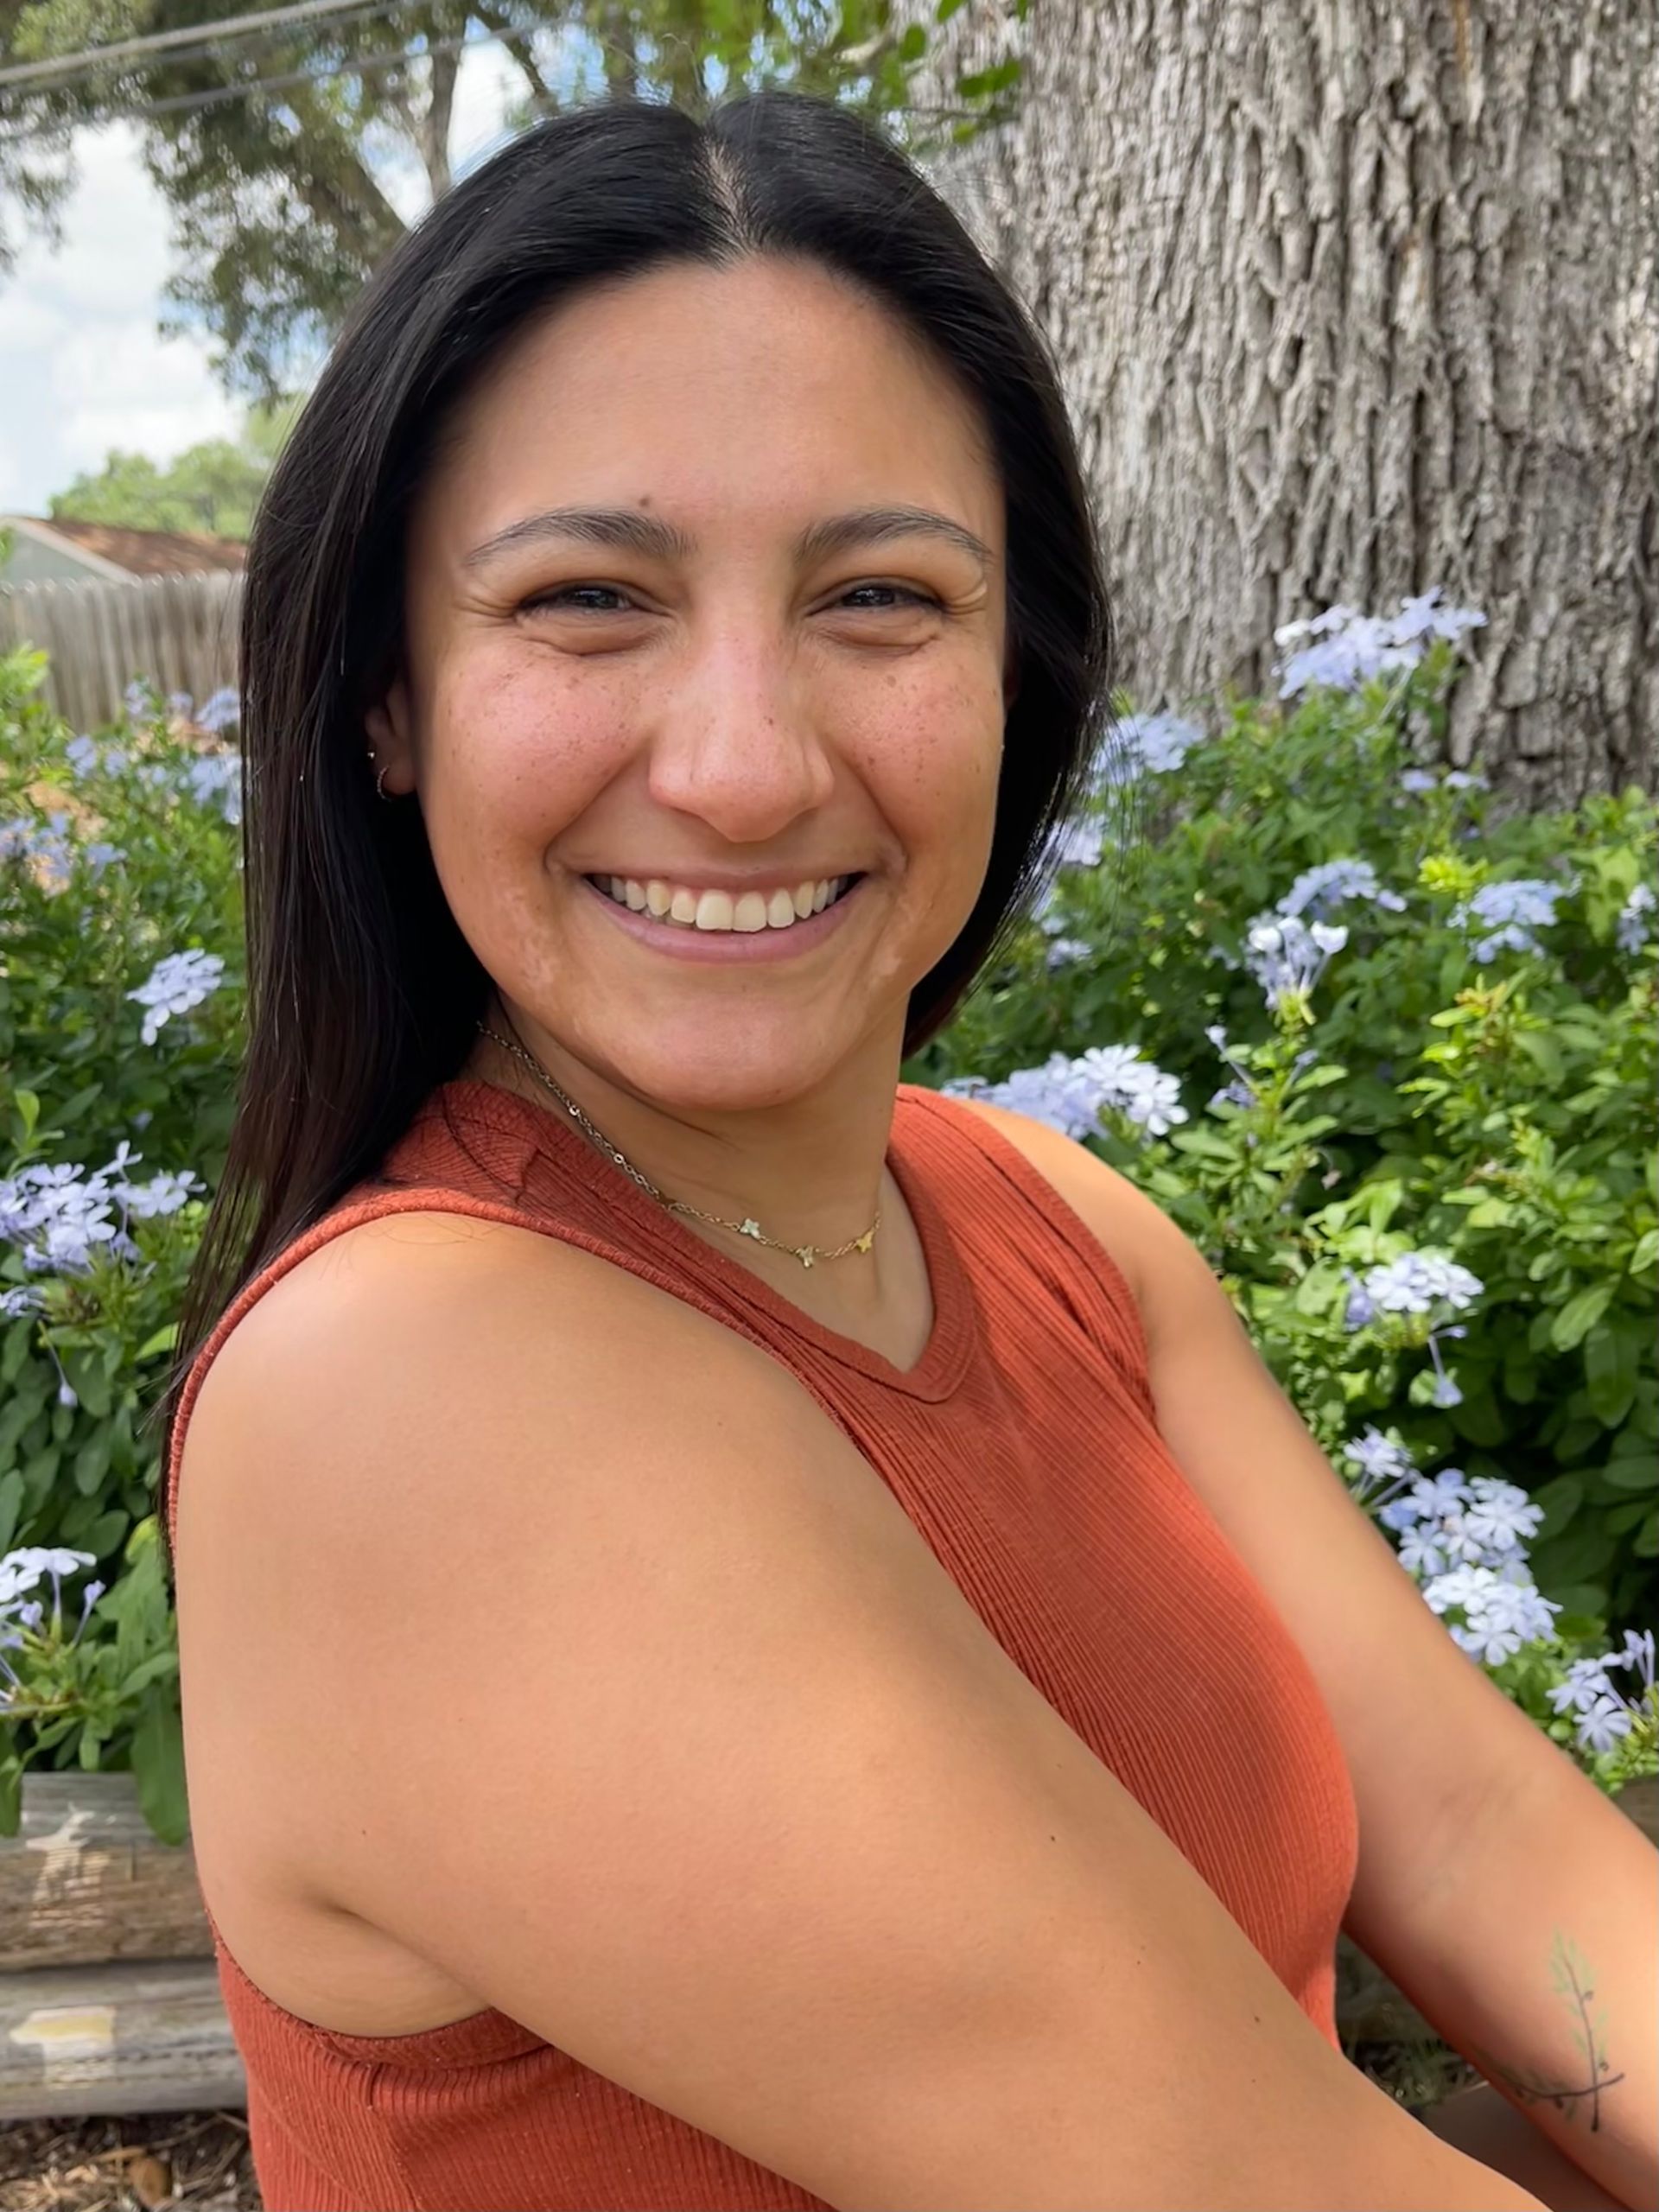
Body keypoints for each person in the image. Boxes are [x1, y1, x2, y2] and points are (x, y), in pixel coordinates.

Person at [157, 89, 1576, 2212]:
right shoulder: (408, 1395)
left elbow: (1482, 1839)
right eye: (586, 599)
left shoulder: (1048, 1216)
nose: (742, 765)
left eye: (883, 598)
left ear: (1022, 671)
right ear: (387, 699)